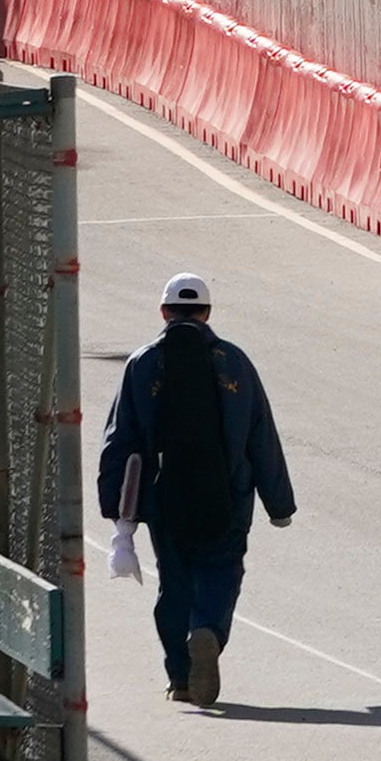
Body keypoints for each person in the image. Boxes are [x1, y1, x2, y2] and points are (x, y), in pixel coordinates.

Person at [94, 270, 293, 707]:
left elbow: (119, 439)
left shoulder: (142, 364)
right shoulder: (235, 363)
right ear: (207, 313)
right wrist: (280, 504)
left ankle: (181, 678)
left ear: (164, 312)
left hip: (165, 499)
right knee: (222, 570)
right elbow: (262, 436)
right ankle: (207, 631)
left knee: (175, 580)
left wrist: (118, 515)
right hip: (229, 496)